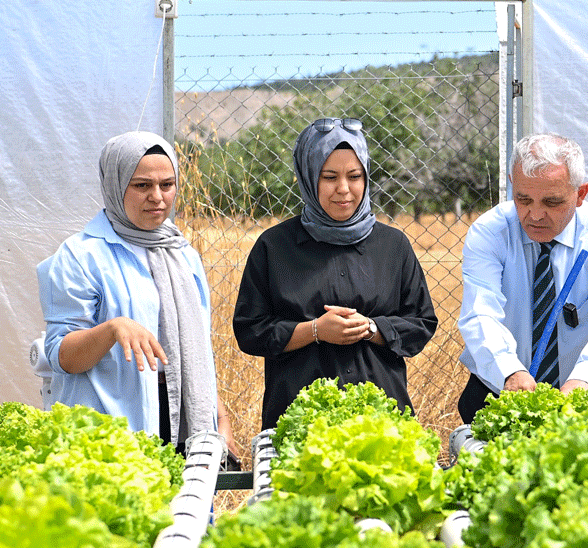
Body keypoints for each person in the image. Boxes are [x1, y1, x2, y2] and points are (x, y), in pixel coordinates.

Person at [38, 131, 238, 455]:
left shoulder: (181, 253)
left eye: (167, 184)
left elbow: (192, 349)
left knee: (183, 507)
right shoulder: (81, 256)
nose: (157, 197)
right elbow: (63, 356)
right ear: (116, 185)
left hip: (181, 417)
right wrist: (113, 328)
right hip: (109, 426)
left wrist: (219, 417)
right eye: (142, 185)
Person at [233, 117, 437, 431]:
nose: (344, 189)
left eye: (354, 176)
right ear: (308, 176)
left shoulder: (393, 245)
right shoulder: (274, 247)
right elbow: (250, 331)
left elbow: (421, 322)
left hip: (381, 422)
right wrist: (314, 330)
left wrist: (371, 327)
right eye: (330, 177)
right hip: (298, 420)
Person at [456, 133, 588, 423]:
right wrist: (509, 371)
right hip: (499, 390)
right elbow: (480, 314)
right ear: (512, 185)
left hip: (581, 393)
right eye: (523, 199)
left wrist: (586, 378)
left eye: (552, 202)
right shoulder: (490, 232)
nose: (535, 215)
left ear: (581, 194)